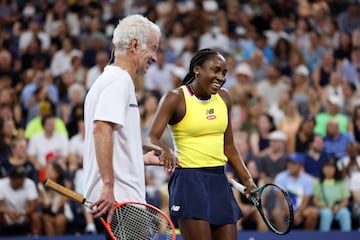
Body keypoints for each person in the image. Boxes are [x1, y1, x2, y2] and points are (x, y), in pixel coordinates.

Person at [144, 48, 257, 240]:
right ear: (197, 69)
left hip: (219, 180)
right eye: (215, 70)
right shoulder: (176, 98)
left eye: (224, 73)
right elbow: (150, 138)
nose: (220, 77)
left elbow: (228, 146)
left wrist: (247, 179)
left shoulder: (224, 98)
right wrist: (165, 151)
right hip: (189, 181)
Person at [82, 14, 162, 225]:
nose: (155, 57)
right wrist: (108, 184)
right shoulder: (119, 80)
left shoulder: (107, 80)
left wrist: (138, 158)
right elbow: (101, 130)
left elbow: (109, 134)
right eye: (153, 48)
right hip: (121, 201)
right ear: (135, 44)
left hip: (118, 199)